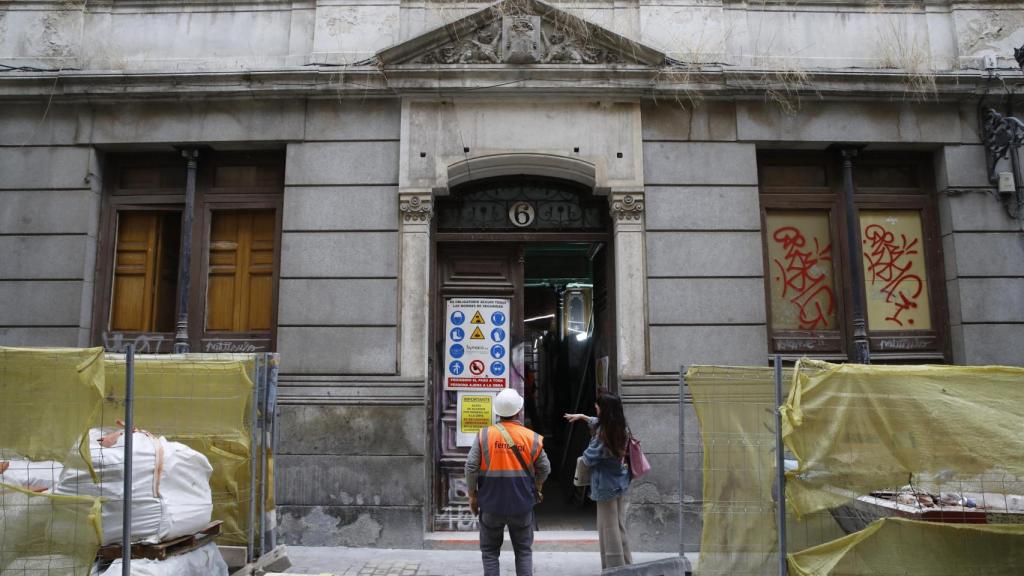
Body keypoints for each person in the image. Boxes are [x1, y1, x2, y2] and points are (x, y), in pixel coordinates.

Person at [465, 387, 551, 576]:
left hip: (491, 505)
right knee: (523, 552)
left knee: (489, 553)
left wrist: (472, 496)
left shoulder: (484, 435)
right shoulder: (532, 438)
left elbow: (471, 467)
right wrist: (537, 486)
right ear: (518, 411)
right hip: (521, 505)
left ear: (497, 412)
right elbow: (545, 468)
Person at [564, 392, 633, 569]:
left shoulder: (603, 435)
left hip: (605, 486)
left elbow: (588, 459)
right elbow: (597, 422)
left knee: (608, 529)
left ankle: (614, 568)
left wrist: (586, 450)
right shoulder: (621, 427)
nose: (595, 407)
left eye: (598, 406)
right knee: (618, 525)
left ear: (605, 409)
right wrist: (582, 417)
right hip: (620, 482)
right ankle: (627, 564)